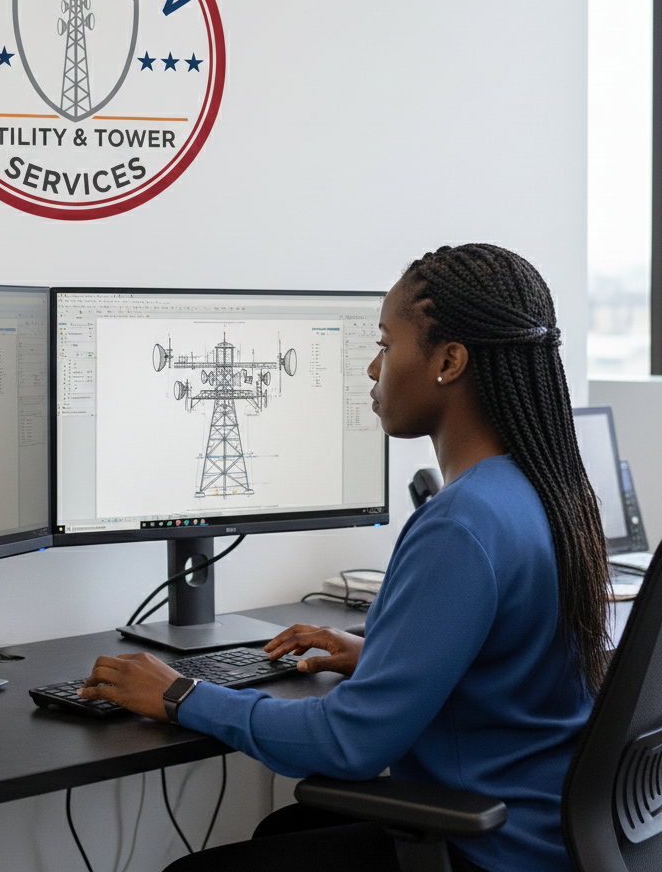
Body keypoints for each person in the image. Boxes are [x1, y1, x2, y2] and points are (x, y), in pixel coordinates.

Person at [79, 244, 610, 872]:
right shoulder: (548, 491)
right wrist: (381, 656)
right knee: (286, 827)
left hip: (489, 851)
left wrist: (180, 693)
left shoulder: (462, 525)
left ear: (448, 360)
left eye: (386, 345)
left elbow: (348, 742)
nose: (371, 369)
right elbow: (524, 670)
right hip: (552, 837)